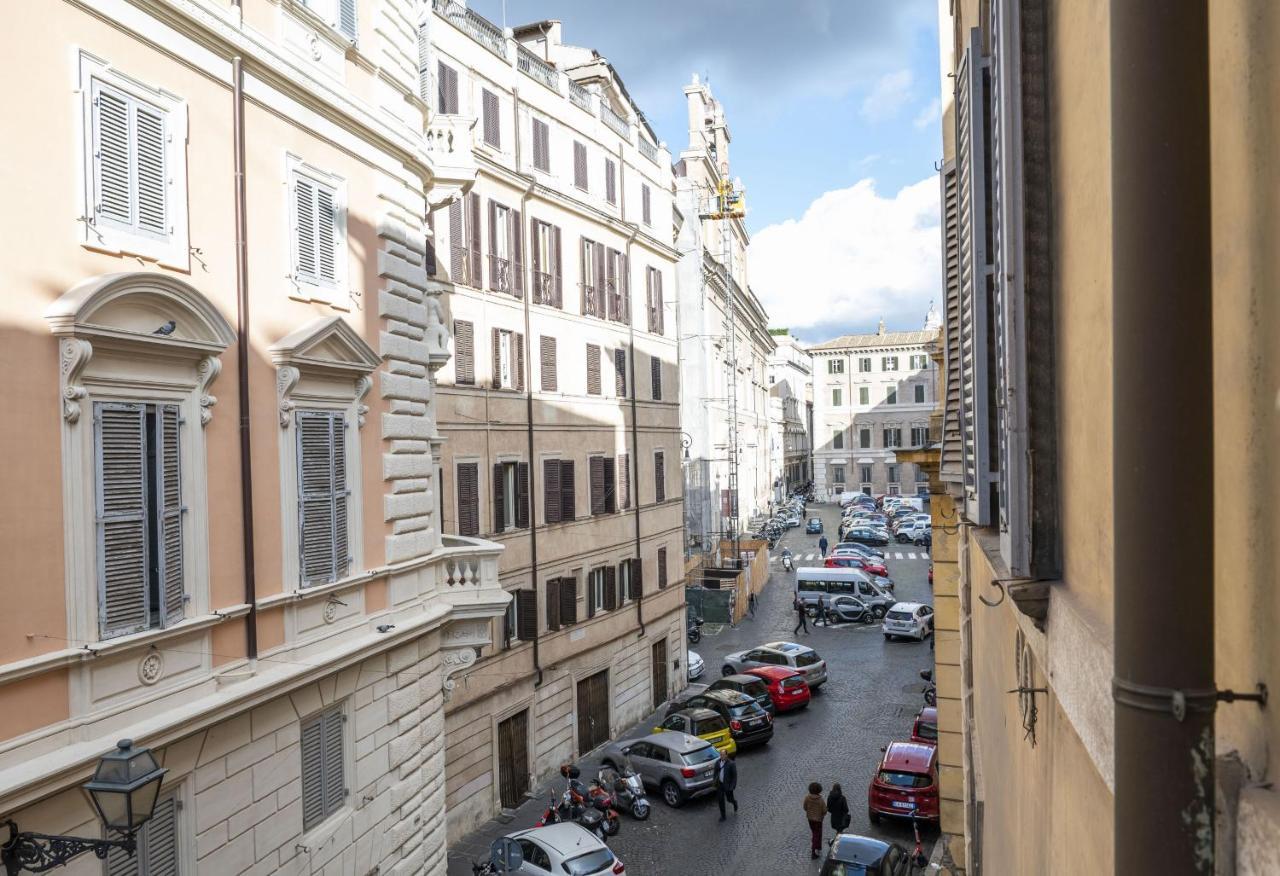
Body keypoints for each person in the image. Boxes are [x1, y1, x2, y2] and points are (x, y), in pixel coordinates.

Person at [803, 782, 827, 859]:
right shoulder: (820, 800)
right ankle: (813, 851)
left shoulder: (807, 797)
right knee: (817, 834)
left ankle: (818, 846)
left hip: (810, 819)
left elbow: (805, 807)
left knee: (815, 832)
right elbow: (824, 811)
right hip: (818, 820)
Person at [715, 750, 738, 821]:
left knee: (729, 799)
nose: (722, 756)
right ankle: (723, 816)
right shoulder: (717, 762)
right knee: (720, 800)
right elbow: (715, 773)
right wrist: (715, 781)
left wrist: (732, 786)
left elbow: (734, 776)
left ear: (726, 755)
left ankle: (734, 802)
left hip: (728, 785)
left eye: (723, 755)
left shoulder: (731, 764)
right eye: (721, 755)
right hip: (720, 785)